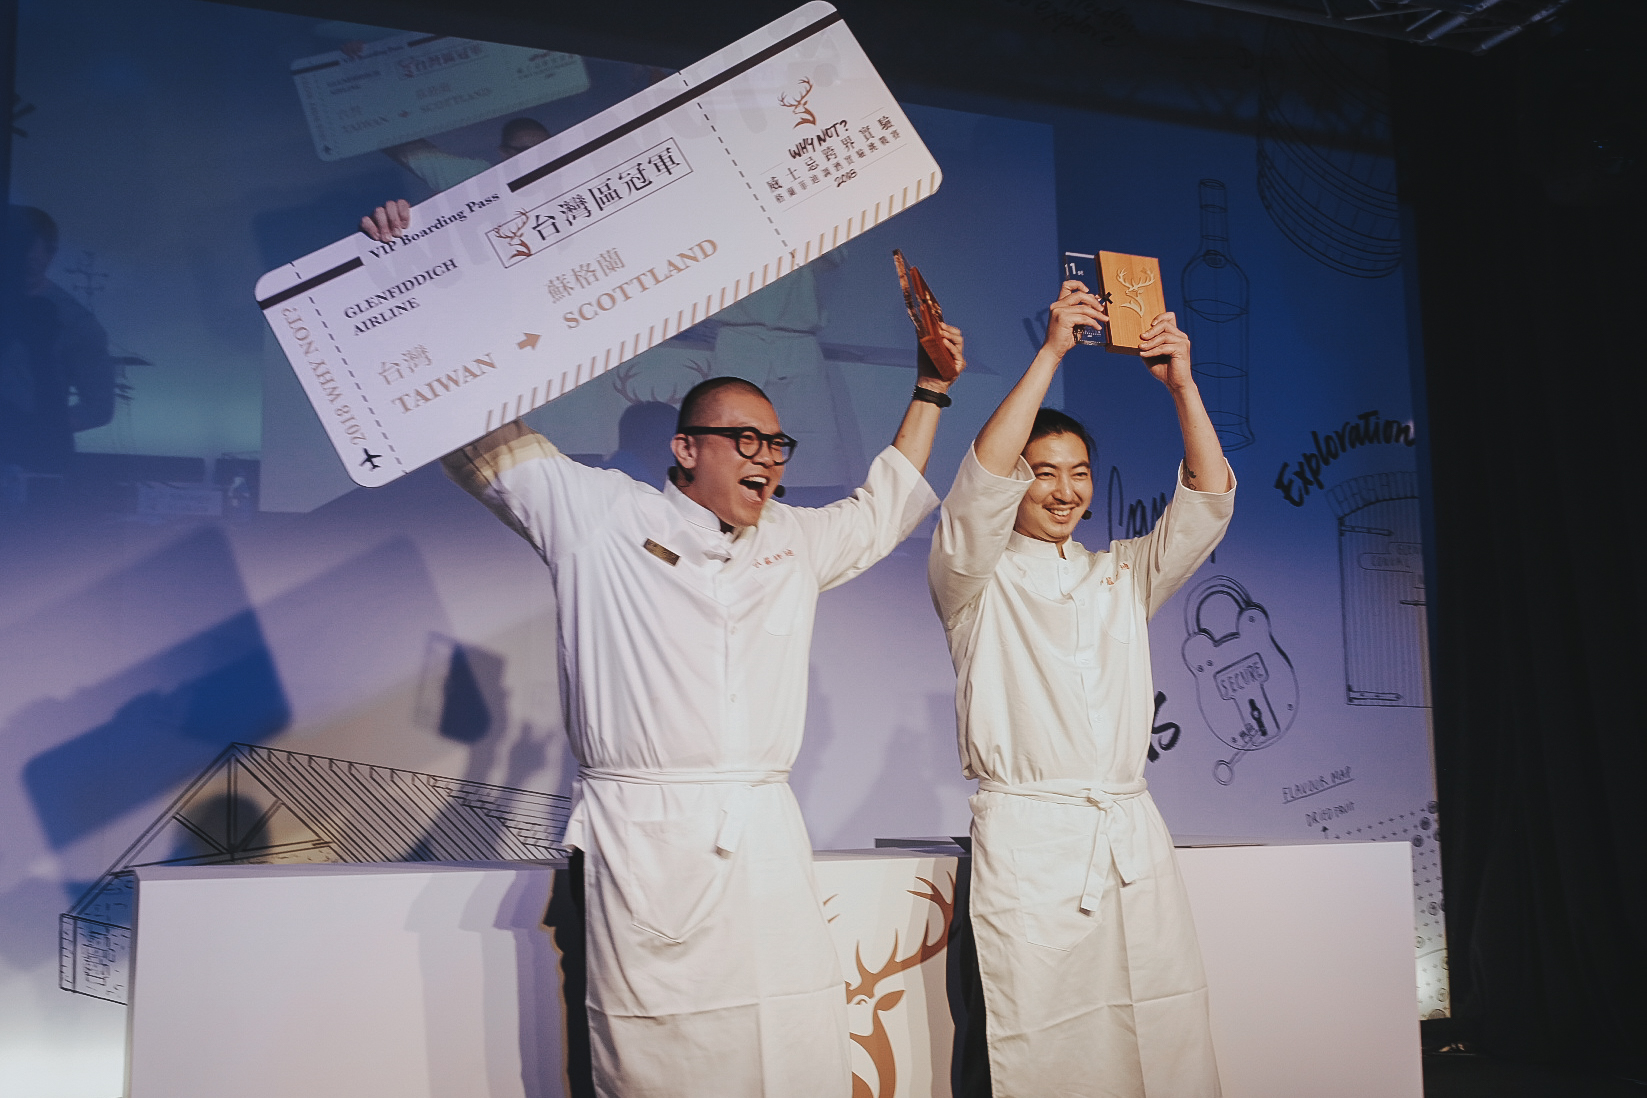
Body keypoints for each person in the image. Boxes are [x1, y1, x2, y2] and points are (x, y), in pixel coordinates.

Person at [442, 329, 965, 1096]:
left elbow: (884, 505)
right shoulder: (598, 515)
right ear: (685, 449)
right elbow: (488, 445)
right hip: (645, 842)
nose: (768, 458)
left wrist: (930, 388)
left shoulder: (792, 538)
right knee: (657, 1057)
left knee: (791, 1039)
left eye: (776, 444)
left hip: (764, 839)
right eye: (745, 439)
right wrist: (431, 316)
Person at [928, 281, 1234, 1097]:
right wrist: (1052, 350)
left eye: (1078, 473)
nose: (1064, 491)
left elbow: (1206, 503)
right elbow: (977, 482)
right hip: (1031, 840)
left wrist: (1181, 386)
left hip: (1128, 834)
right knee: (1043, 1045)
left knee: (1160, 1033)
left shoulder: (1121, 575)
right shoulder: (972, 575)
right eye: (1041, 474)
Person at [360, 117, 551, 241]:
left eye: (547, 151)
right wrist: (392, 225)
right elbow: (410, 150)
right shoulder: (476, 179)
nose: (539, 159)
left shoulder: (567, 183)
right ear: (505, 153)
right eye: (529, 152)